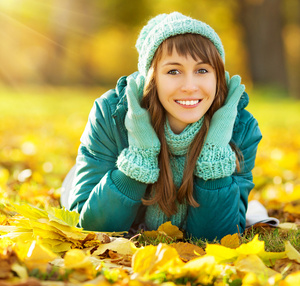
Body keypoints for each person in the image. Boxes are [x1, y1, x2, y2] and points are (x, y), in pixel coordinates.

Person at [60, 12, 262, 241]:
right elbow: (91, 227)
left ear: (218, 77)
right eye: (173, 71)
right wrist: (139, 158)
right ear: (152, 79)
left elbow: (218, 239)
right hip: (92, 184)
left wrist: (215, 154)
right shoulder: (110, 114)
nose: (189, 86)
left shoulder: (241, 128)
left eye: (202, 70)